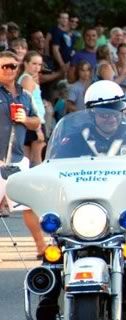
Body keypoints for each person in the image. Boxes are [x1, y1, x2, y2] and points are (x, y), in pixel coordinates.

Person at [39, 80, 126, 320]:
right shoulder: (72, 137)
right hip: (82, 210)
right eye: (104, 113)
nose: (111, 117)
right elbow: (52, 165)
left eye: (116, 110)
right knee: (56, 243)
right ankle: (47, 301)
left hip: (125, 209)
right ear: (91, 113)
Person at [0, 50, 46, 260]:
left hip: (17, 159)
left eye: (13, 66)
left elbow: (37, 121)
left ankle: (41, 248)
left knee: (27, 206)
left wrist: (25, 120)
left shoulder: (25, 95)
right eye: (5, 66)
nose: (10, 70)